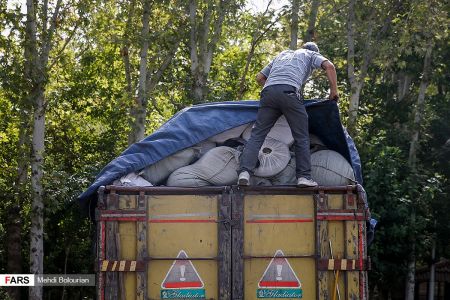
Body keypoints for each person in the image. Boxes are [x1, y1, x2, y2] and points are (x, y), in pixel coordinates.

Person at [237, 42, 338, 187]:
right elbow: (329, 66)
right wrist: (334, 91)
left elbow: (259, 78)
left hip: (268, 93)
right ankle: (304, 177)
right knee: (301, 137)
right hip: (289, 92)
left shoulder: (282, 54)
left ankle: (244, 172)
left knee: (257, 135)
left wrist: (275, 90)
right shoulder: (310, 54)